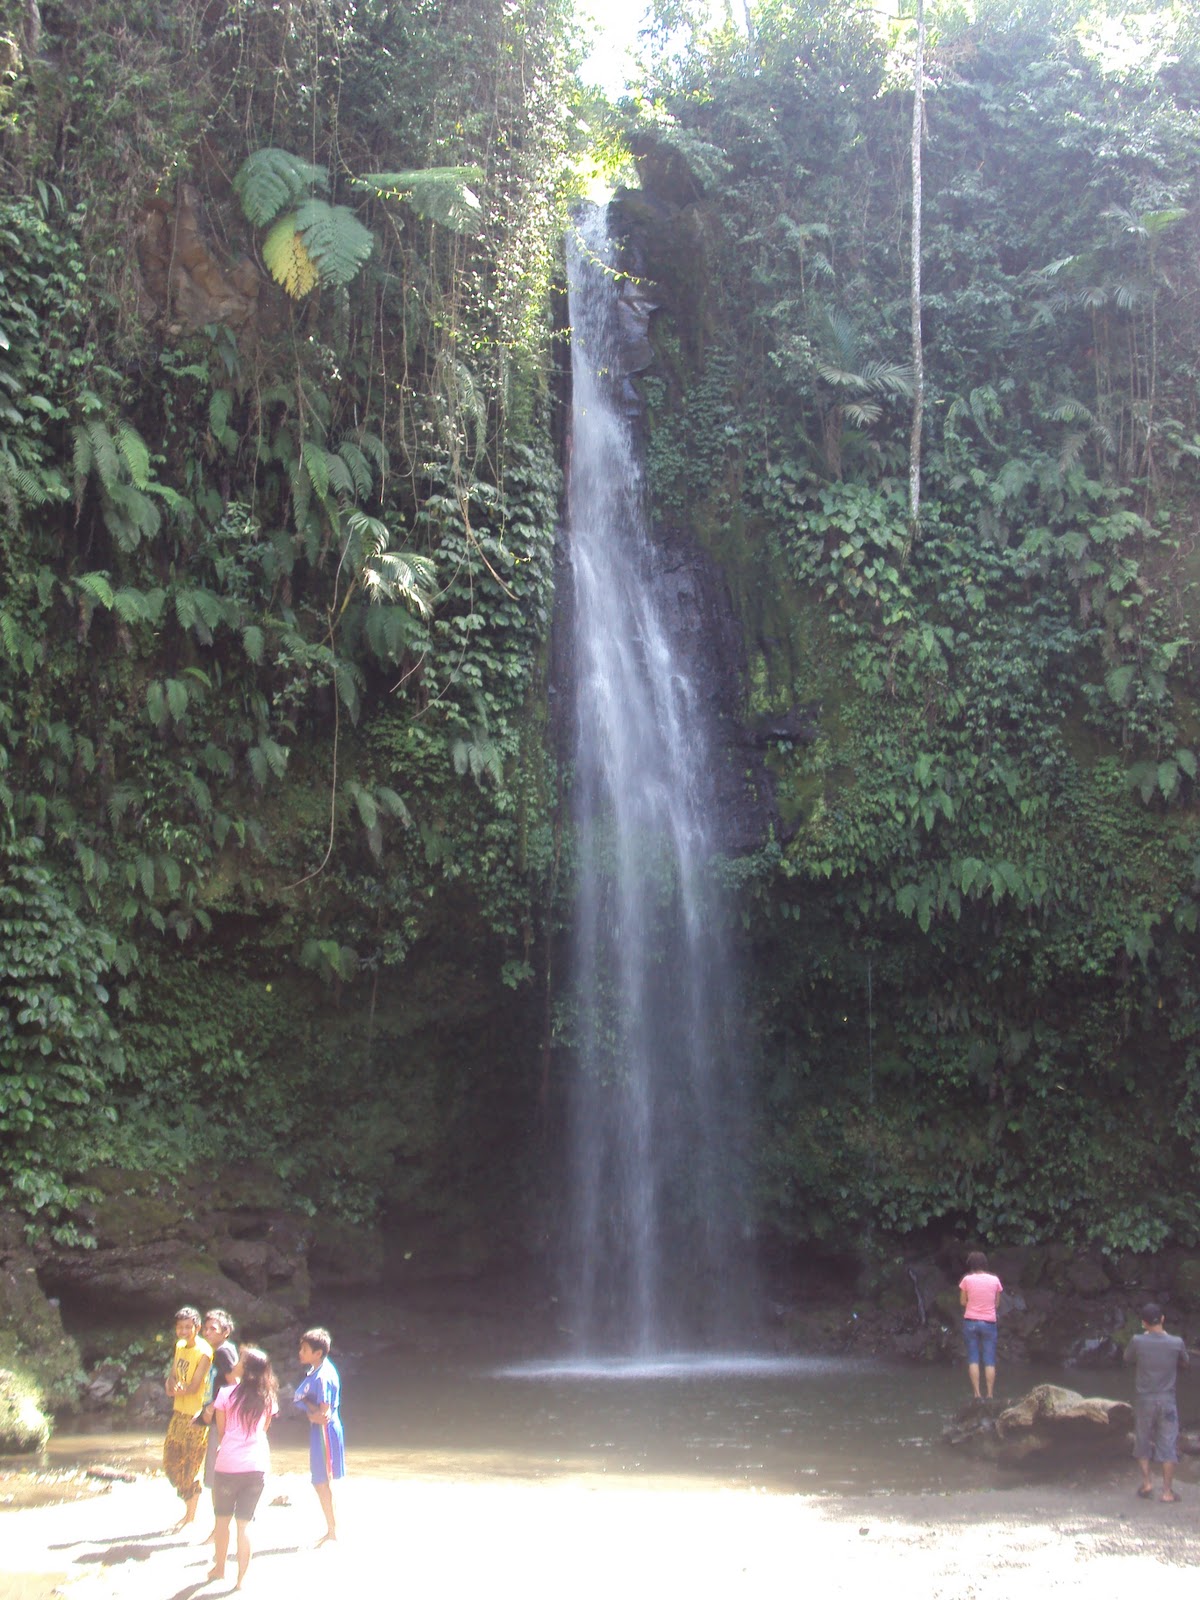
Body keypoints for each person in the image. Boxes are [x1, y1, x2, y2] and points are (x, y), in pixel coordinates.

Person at [208, 1345, 278, 1589]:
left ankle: (219, 1569)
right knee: (244, 1524)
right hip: (257, 1465)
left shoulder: (226, 1394)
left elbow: (222, 1430)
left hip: (228, 1464)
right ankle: (241, 1579)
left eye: (241, 1360)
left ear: (245, 1369)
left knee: (222, 1520)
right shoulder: (267, 1397)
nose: (235, 1362)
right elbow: (265, 1427)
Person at [1124, 1301, 1189, 1503]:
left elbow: (1127, 1359)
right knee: (1168, 1444)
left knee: (1142, 1440)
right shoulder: (1176, 1342)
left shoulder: (1137, 1341)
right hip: (1167, 1400)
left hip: (1145, 1400)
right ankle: (1167, 1492)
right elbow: (1185, 1363)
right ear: (1162, 1319)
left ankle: (1147, 1483)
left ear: (1143, 1323)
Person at [162, 1305, 213, 1528]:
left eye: (187, 1327)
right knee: (171, 1460)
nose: (183, 1332)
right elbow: (173, 1374)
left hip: (196, 1416)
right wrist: (169, 1385)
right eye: (179, 1327)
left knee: (191, 1465)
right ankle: (188, 1508)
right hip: (179, 1413)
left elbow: (194, 1386)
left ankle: (190, 1515)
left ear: (197, 1328)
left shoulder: (204, 1352)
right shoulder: (180, 1346)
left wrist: (179, 1390)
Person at [293, 1326, 344, 1544]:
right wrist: (309, 1411)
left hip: (325, 1432)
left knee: (321, 1481)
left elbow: (324, 1413)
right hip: (320, 1430)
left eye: (305, 1349)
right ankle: (332, 1528)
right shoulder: (316, 1370)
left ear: (318, 1353)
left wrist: (312, 1415)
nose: (300, 1353)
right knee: (321, 1481)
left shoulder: (323, 1375)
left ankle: (332, 1530)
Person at [197, 1310, 239, 1537]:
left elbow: (234, 1382)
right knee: (219, 1471)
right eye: (206, 1328)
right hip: (223, 1417)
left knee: (216, 1472)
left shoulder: (223, 1352)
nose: (207, 1332)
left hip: (222, 1419)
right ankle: (220, 1526)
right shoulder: (224, 1350)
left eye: (213, 1328)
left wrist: (215, 1407)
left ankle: (219, 1529)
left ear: (226, 1332)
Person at [958, 1250, 1003, 1401]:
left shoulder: (967, 1280)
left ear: (971, 1264)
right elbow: (996, 1303)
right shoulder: (995, 1280)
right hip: (989, 1322)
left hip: (971, 1321)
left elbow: (963, 1302)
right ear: (984, 1263)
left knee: (973, 1357)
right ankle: (990, 1394)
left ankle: (977, 1394)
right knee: (989, 1359)